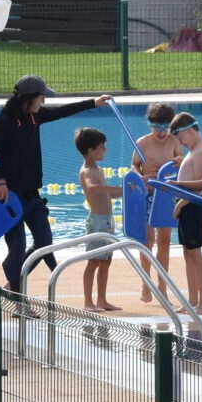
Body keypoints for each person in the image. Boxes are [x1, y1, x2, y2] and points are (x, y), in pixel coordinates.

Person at [0, 75, 112, 296]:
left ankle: (12, 281)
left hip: (32, 194)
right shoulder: (6, 122)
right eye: (41, 96)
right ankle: (19, 297)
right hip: (12, 196)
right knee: (17, 246)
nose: (43, 101)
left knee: (44, 242)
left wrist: (93, 102)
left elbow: (62, 111)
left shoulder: (35, 116)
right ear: (29, 98)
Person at [132, 103, 184, 303]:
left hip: (166, 195)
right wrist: (140, 176)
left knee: (164, 242)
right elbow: (134, 165)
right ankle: (146, 284)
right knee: (147, 242)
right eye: (157, 127)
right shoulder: (142, 143)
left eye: (166, 127)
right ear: (150, 125)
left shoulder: (174, 141)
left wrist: (179, 161)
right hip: (148, 194)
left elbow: (181, 161)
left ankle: (162, 287)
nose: (162, 132)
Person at [170, 113, 202, 312]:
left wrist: (180, 204)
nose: (180, 142)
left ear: (189, 131)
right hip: (188, 207)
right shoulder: (194, 151)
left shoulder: (201, 152)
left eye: (180, 138)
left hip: (193, 207)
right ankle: (192, 300)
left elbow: (200, 186)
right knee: (188, 254)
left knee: (195, 255)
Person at [75, 127, 122, 312]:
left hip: (108, 221)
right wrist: (115, 188)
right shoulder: (87, 171)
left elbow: (107, 194)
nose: (105, 150)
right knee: (93, 261)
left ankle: (102, 300)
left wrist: (126, 190)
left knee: (106, 261)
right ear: (90, 150)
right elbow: (93, 188)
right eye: (102, 147)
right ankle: (88, 302)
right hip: (97, 222)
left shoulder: (98, 169)